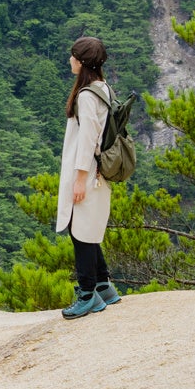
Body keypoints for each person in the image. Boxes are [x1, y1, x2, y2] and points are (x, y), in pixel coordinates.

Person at [56, 35, 119, 319]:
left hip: (87, 172)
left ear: (81, 62)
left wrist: (79, 179)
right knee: (87, 228)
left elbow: (87, 139)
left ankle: (87, 294)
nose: (70, 60)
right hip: (97, 171)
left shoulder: (86, 96)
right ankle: (104, 285)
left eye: (73, 56)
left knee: (79, 233)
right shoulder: (102, 88)